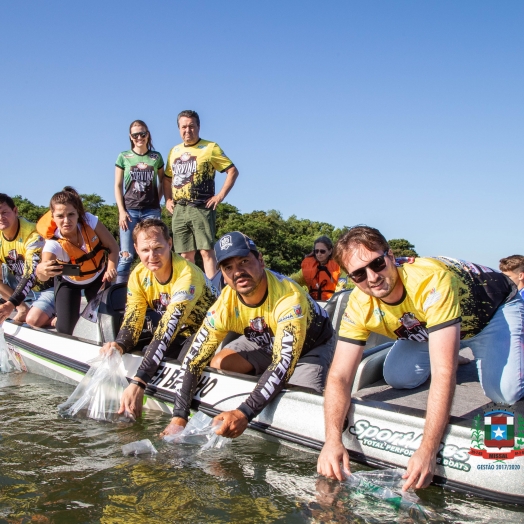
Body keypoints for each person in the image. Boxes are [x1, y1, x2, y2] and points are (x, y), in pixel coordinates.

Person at [317, 225, 524, 491]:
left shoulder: (430, 280)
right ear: (351, 278)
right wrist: (332, 440)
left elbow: (443, 373)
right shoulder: (358, 305)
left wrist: (428, 450)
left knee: (503, 393)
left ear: (391, 256)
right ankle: (451, 346)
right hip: (431, 325)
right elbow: (339, 375)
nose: (372, 277)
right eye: (358, 274)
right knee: (398, 377)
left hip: (491, 312)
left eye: (377, 263)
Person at [160, 231, 335, 439]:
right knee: (219, 363)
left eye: (244, 261)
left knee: (299, 403)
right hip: (264, 340)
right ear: (223, 276)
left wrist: (244, 412)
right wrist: (179, 417)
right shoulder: (224, 304)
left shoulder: (289, 297)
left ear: (260, 260)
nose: (238, 272)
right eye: (228, 268)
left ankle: (274, 385)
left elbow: (283, 364)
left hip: (310, 345)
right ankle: (265, 385)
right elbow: (194, 359)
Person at [99, 218, 218, 418]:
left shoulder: (187, 274)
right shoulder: (137, 275)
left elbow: (167, 329)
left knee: (180, 363)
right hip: (181, 332)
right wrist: (118, 346)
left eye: (158, 248)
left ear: (170, 244)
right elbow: (132, 322)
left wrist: (139, 381)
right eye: (145, 250)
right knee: (147, 352)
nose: (152, 256)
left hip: (210, 330)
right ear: (135, 248)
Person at [164, 110, 239, 278]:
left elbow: (232, 171)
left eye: (191, 126)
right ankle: (190, 288)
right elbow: (167, 179)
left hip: (201, 207)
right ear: (178, 129)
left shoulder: (210, 147)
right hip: (180, 209)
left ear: (198, 126)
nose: (187, 130)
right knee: (185, 254)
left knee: (206, 251)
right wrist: (167, 199)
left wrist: (220, 196)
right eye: (183, 127)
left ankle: (213, 290)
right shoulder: (174, 151)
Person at [36, 187, 119, 335]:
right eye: (60, 216)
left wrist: (111, 268)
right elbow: (42, 273)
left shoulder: (90, 221)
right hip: (69, 282)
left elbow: (113, 246)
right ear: (53, 217)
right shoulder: (53, 243)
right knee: (65, 330)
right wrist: (41, 270)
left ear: (78, 214)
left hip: (98, 277)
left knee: (109, 323)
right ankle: (59, 318)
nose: (66, 220)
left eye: (71, 214)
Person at [114, 120, 165, 284]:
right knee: (126, 255)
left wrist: (158, 202)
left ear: (147, 134)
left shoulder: (155, 157)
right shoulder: (123, 156)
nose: (139, 137)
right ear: (130, 136)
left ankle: (154, 290)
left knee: (154, 252)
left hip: (151, 210)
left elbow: (163, 181)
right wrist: (121, 211)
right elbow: (118, 185)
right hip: (129, 211)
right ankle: (119, 296)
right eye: (135, 135)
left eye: (142, 134)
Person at [0, 193, 55, 326]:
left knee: (33, 320)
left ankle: (63, 319)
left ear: (15, 210)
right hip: (22, 291)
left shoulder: (33, 234)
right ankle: (23, 309)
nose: (1, 218)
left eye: (4, 212)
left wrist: (10, 304)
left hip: (47, 288)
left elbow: (30, 275)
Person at [292, 236, 348, 301]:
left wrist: (330, 303)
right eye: (316, 251)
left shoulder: (338, 268)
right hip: (313, 304)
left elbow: (340, 288)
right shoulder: (308, 266)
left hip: (332, 304)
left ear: (330, 251)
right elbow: (293, 280)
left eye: (322, 251)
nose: (319, 254)